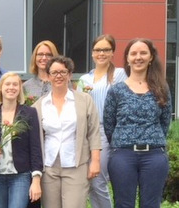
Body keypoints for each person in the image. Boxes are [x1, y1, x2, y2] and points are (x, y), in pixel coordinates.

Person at [103, 38, 171, 208]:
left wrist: (152, 139)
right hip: (123, 156)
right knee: (123, 204)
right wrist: (123, 142)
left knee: (151, 204)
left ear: (151, 58)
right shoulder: (116, 90)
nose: (138, 57)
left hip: (154, 155)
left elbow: (165, 122)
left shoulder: (161, 88)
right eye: (133, 53)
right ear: (127, 58)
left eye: (143, 53)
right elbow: (109, 124)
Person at [32, 56, 101, 208]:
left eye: (63, 72)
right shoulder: (39, 105)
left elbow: (94, 132)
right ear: (48, 76)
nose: (59, 76)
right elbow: (35, 139)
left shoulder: (84, 100)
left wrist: (95, 161)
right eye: (54, 72)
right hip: (49, 166)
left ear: (69, 75)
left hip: (76, 164)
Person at [76, 34, 127, 208]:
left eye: (106, 50)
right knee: (88, 181)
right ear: (92, 53)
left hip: (106, 131)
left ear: (113, 53)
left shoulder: (120, 75)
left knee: (98, 180)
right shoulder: (84, 79)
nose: (101, 53)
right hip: (85, 134)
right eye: (98, 50)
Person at [0, 72, 43, 208]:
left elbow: (35, 147)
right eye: (7, 84)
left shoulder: (30, 113)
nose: (11, 87)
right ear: (0, 88)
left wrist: (36, 178)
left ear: (20, 89)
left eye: (15, 84)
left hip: (20, 175)